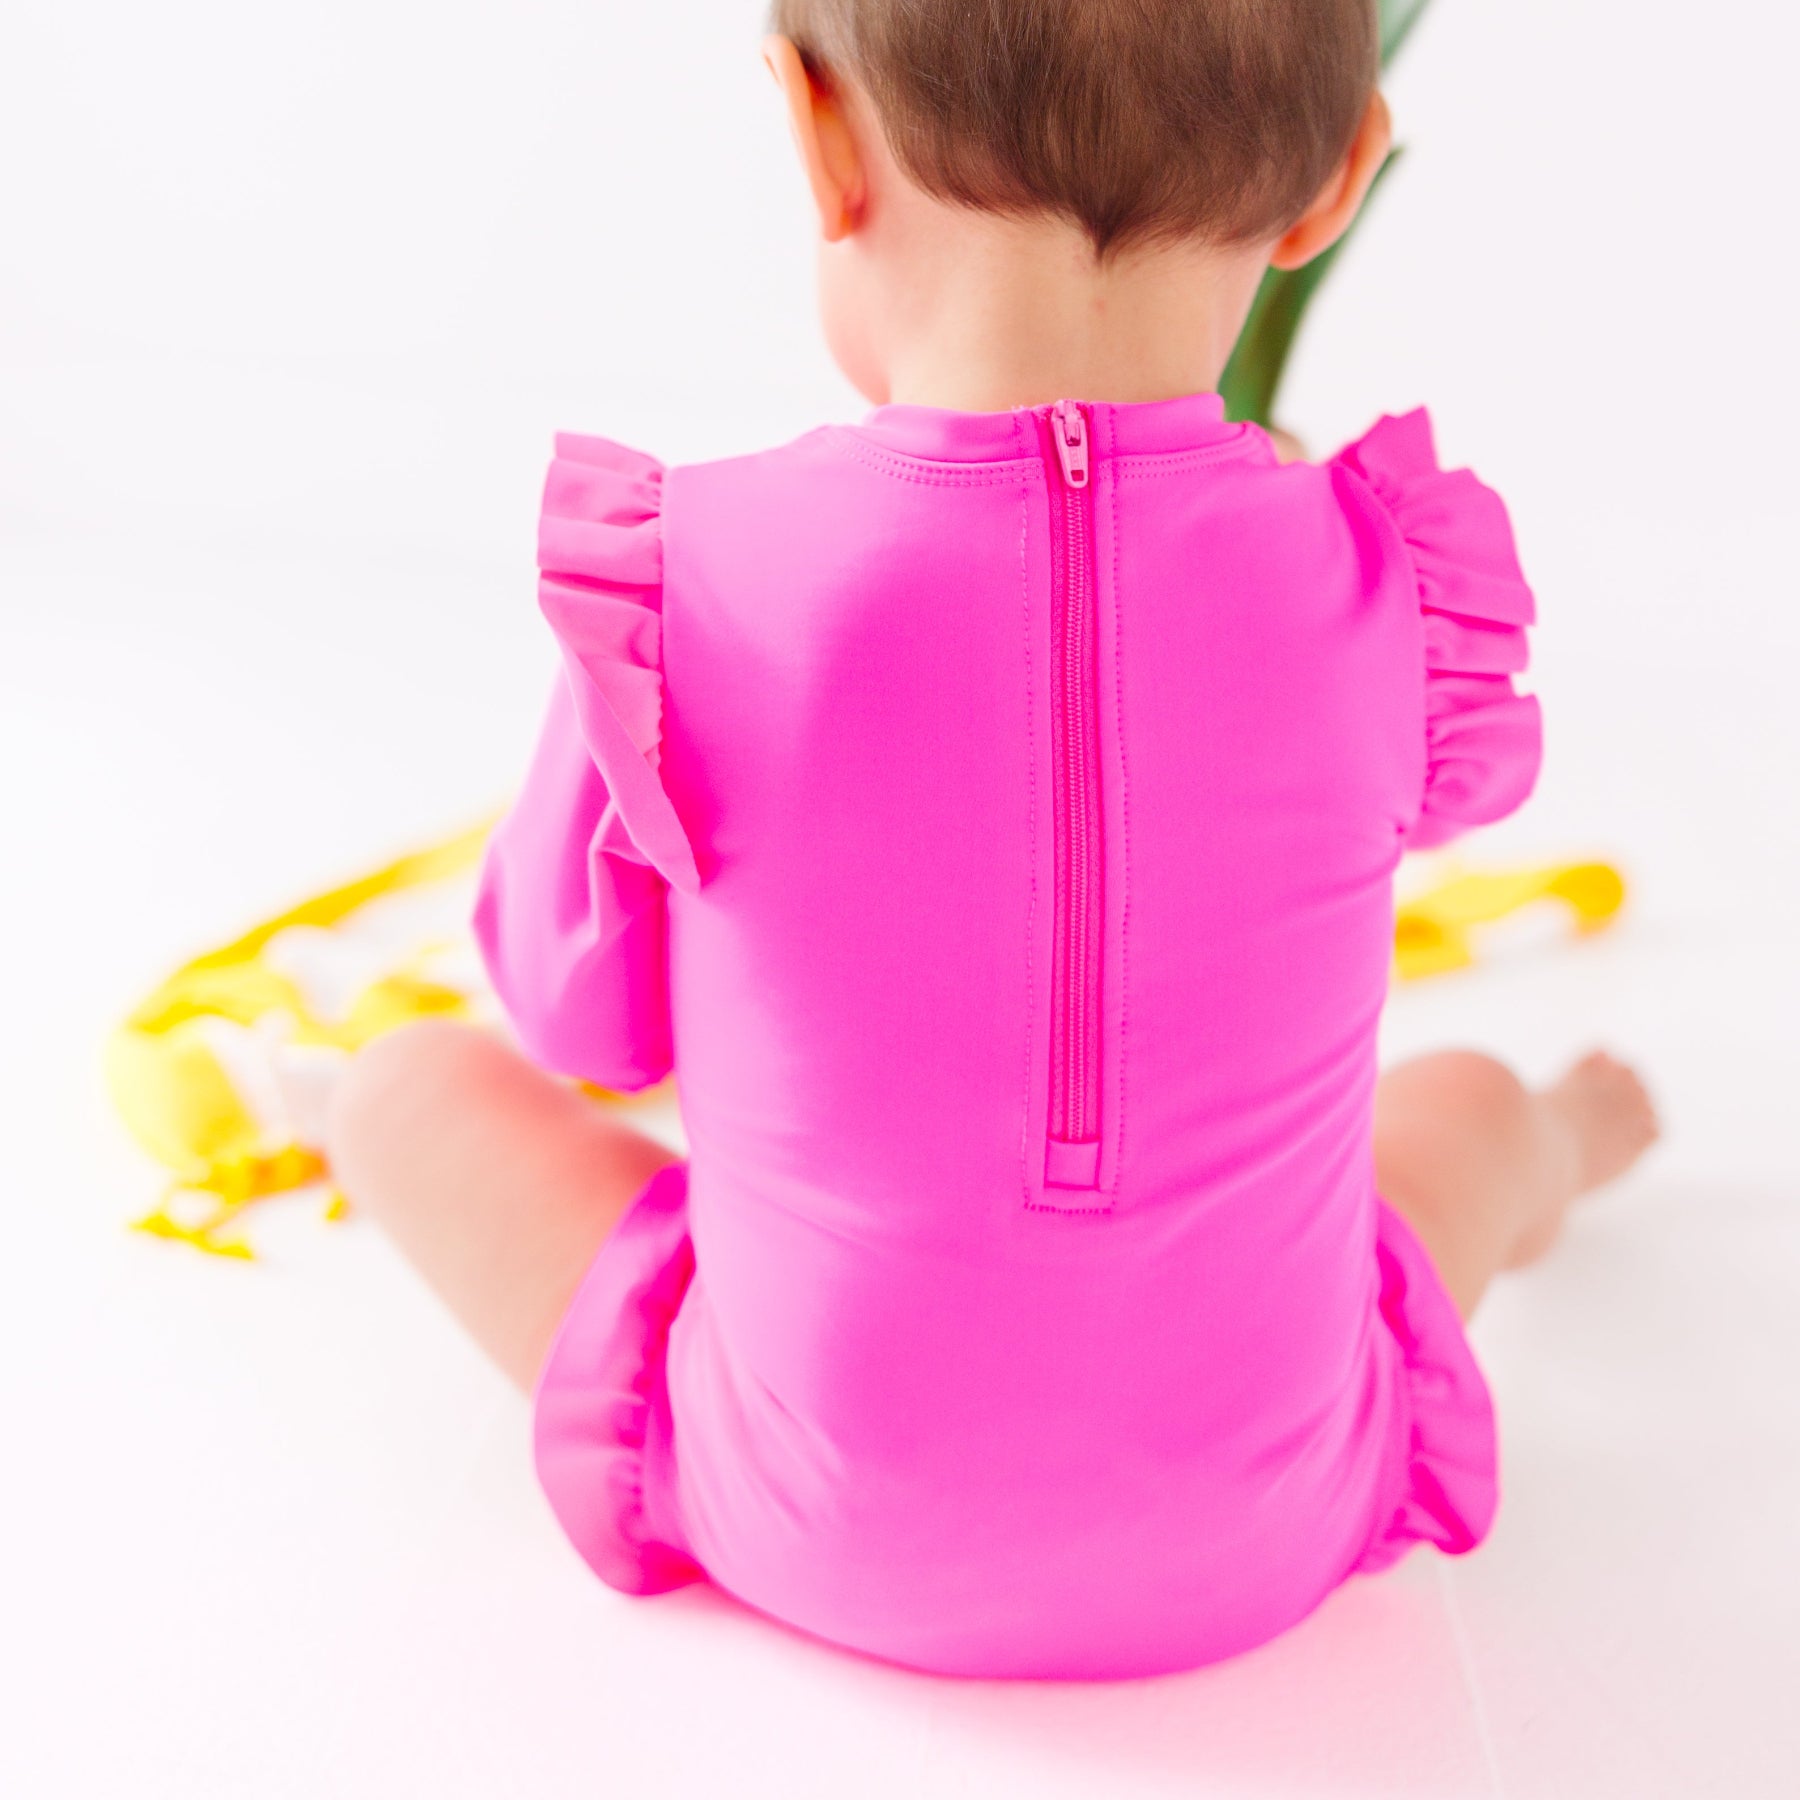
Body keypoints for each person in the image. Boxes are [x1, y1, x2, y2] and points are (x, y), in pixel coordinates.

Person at [327, 0, 1659, 1678]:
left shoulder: (692, 584)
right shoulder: (1387, 591)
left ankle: (319, 1107)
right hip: (1268, 1530)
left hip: (810, 1523)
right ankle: (1563, 1138)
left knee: (405, 1091)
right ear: (1335, 179)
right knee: (1459, 1105)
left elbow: (584, 1026)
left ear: (813, 131)